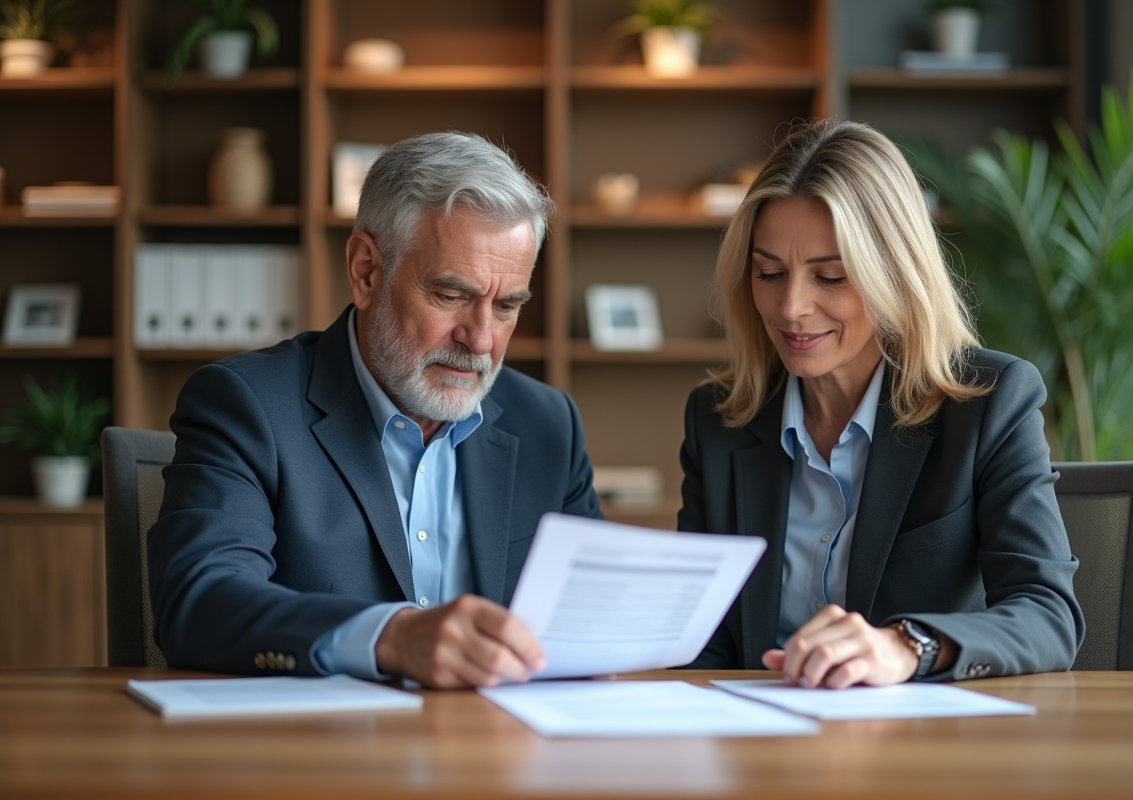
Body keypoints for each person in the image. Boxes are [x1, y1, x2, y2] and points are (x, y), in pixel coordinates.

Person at [149, 132, 601, 688]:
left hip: (498, 758)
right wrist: (390, 636)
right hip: (319, 761)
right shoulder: (245, 404)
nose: (481, 340)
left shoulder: (549, 425)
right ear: (366, 270)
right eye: (451, 295)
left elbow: (589, 623)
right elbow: (199, 601)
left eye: (507, 306)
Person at [680, 119, 1084, 688]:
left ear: (895, 274)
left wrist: (906, 646)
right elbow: (703, 639)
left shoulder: (989, 404)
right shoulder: (717, 420)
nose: (791, 306)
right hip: (759, 745)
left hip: (918, 753)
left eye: (832, 277)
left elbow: (1049, 615)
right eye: (769, 273)